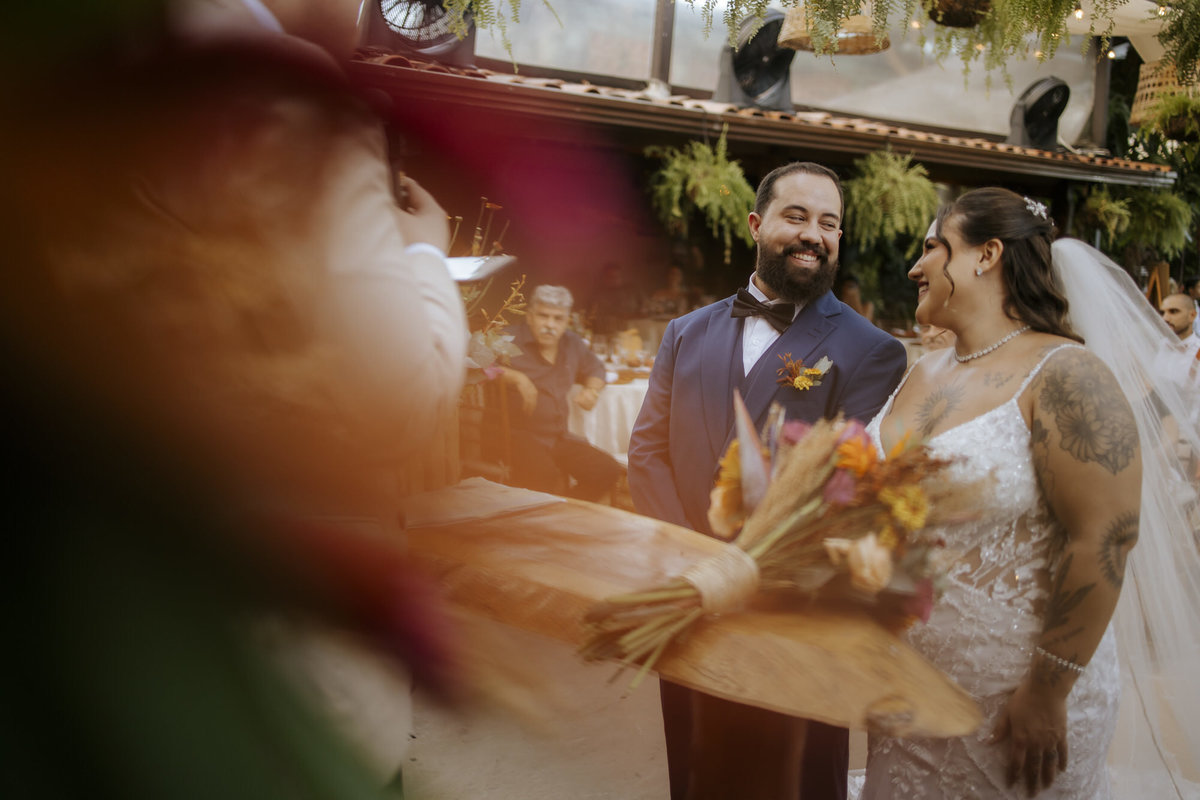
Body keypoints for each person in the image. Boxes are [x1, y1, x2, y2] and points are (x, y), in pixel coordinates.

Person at [1, 0, 471, 794]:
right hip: (272, 659)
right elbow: (399, 401)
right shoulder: (280, 92)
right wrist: (424, 257)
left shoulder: (81, 49)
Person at [861, 188, 1200, 798]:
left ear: (986, 255)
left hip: (1014, 705)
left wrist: (1048, 690)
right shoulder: (922, 370)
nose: (915, 267)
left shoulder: (1067, 374)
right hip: (906, 692)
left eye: (933, 247)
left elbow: (1106, 537)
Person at [628, 161, 908, 800]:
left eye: (829, 224)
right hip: (688, 596)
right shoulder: (684, 332)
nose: (814, 235)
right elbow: (646, 452)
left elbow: (845, 485)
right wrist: (694, 564)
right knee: (696, 771)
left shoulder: (871, 350)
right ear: (756, 225)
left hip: (792, 611)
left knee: (796, 777)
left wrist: (752, 571)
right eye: (797, 217)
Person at [500, 285, 622, 501]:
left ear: (566, 321)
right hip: (515, 436)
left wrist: (592, 390)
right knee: (544, 477)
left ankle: (564, 511)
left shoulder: (572, 343)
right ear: (530, 317)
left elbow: (596, 369)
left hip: (558, 437)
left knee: (607, 470)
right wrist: (515, 376)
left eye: (558, 318)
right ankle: (547, 516)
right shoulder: (507, 339)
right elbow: (475, 367)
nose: (550, 324)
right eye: (543, 316)